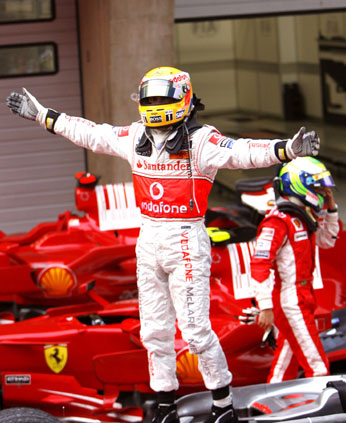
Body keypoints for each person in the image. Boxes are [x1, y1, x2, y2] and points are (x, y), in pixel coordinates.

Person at [7, 66, 321, 423]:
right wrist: (45, 116)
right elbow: (92, 133)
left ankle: (222, 403)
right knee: (153, 330)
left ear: (183, 98)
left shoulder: (203, 141)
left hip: (186, 238)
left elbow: (244, 152)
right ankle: (165, 401)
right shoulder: (135, 135)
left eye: (161, 98)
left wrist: (287, 150)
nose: (155, 105)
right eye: (150, 98)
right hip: (149, 238)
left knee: (195, 329)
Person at [250, 156, 339, 383]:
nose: (322, 190)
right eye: (317, 186)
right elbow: (260, 264)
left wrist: (331, 208)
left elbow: (327, 240)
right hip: (290, 302)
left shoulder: (304, 215)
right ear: (300, 184)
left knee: (285, 364)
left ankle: (265, 407)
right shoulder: (277, 222)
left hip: (304, 298)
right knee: (317, 366)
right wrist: (265, 307)